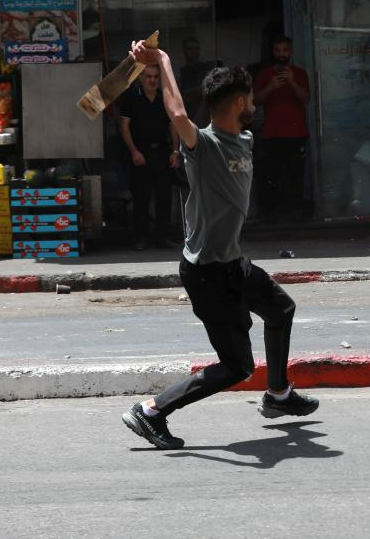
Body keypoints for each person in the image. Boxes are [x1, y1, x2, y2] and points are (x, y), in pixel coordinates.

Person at [121, 41, 318, 451]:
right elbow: (178, 115)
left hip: (232, 264)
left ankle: (278, 393)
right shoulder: (203, 146)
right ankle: (152, 410)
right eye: (252, 101)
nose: (255, 107)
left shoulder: (244, 139)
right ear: (241, 102)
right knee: (237, 366)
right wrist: (163, 59)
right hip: (207, 273)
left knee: (280, 309)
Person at [117, 63, 180, 250]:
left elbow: (173, 125)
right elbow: (124, 127)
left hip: (162, 152)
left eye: (155, 77)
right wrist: (134, 151)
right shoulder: (131, 98)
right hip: (140, 152)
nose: (152, 80)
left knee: (164, 197)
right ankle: (141, 238)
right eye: (148, 76)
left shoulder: (164, 98)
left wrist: (175, 151)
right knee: (141, 198)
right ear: (140, 78)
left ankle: (162, 237)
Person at [253, 36, 310, 221]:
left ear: (290, 52)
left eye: (285, 50)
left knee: (295, 176)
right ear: (273, 52)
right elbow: (256, 100)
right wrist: (271, 86)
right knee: (271, 176)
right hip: (272, 134)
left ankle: (296, 214)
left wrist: (291, 82)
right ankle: (272, 215)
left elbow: (305, 98)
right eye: (278, 50)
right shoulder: (265, 75)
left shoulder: (300, 73)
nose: (281, 54)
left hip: (296, 133)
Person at [178, 36, 213, 124]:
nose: (194, 51)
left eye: (196, 48)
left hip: (205, 116)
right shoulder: (181, 72)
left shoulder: (205, 68)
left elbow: (208, 89)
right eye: (190, 48)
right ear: (184, 50)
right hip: (187, 117)